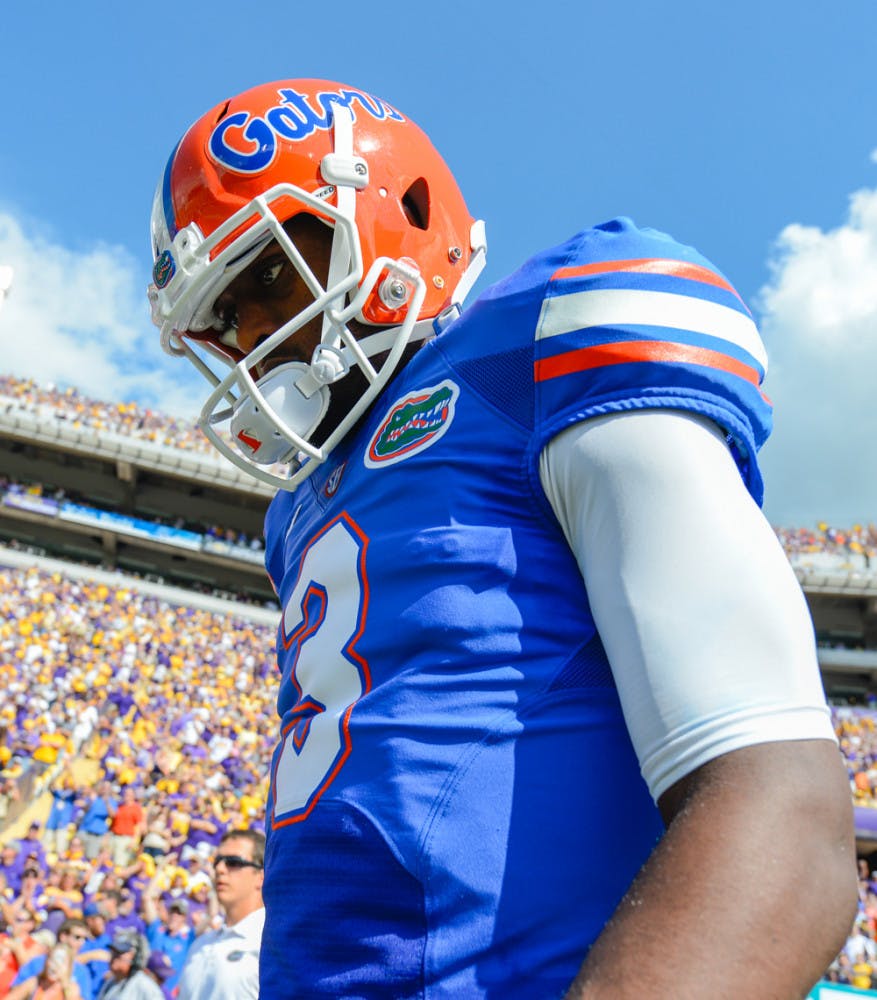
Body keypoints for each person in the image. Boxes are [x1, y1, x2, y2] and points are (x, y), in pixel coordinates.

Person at [148, 78, 857, 998]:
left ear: (398, 211)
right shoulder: (297, 514)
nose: (249, 335)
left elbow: (779, 808)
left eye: (269, 278)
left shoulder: (546, 336)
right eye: (221, 318)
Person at [175, 830, 263, 1000]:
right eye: (217, 861)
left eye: (233, 862)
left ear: (261, 876)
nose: (219, 869)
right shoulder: (200, 945)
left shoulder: (272, 945)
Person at [95, 929, 162, 1000]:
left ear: (135, 957)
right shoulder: (109, 983)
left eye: (120, 952)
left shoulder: (144, 985)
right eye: (113, 951)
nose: (114, 956)